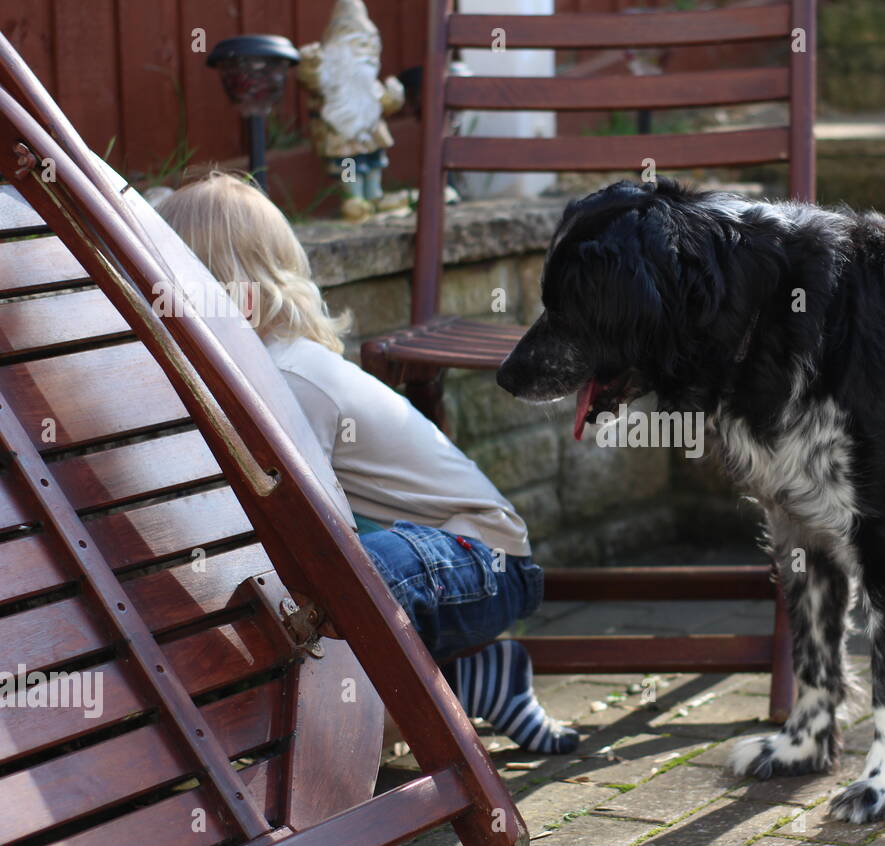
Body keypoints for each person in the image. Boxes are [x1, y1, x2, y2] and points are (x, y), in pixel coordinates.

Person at [157, 171, 577, 754]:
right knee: (324, 587)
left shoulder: (285, 378)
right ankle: (472, 685)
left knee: (327, 585)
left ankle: (325, 744)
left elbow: (310, 523)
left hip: (483, 561)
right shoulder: (266, 368)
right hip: (442, 556)